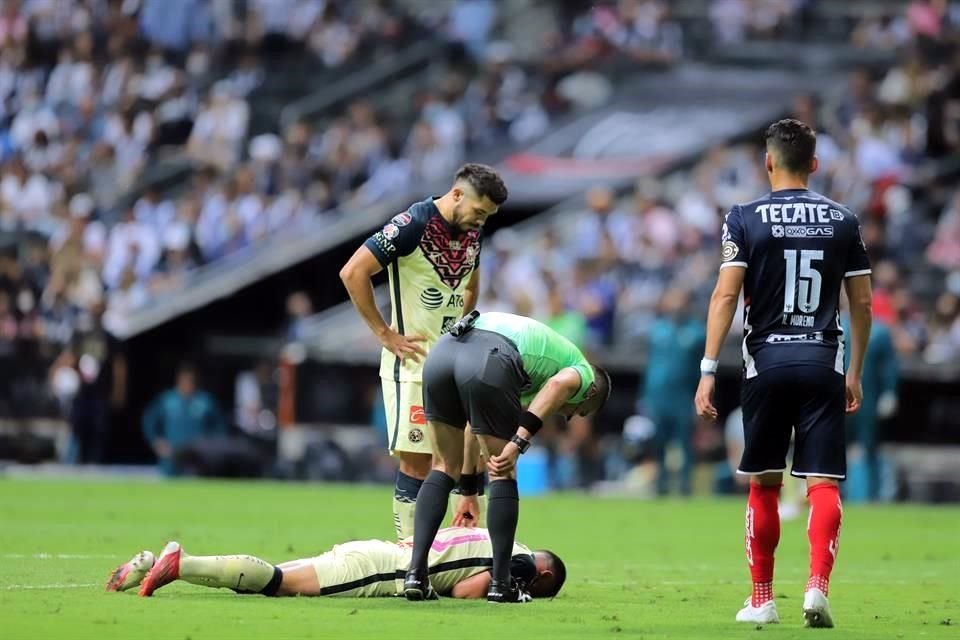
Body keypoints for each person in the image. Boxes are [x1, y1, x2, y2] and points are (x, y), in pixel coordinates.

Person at [694, 119, 873, 628]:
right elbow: (860, 304)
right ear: (814, 165)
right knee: (823, 483)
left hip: (765, 363)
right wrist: (853, 371)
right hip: (823, 361)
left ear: (767, 162)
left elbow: (726, 294)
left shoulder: (743, 217)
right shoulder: (844, 219)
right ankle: (817, 588)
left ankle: (763, 599)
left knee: (764, 483)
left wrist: (708, 369)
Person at [339, 164, 508, 539]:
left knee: (448, 463)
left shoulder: (471, 233)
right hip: (412, 365)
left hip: (452, 364)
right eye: (479, 212)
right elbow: (353, 272)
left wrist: (462, 331)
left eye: (488, 217)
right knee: (417, 464)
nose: (481, 222)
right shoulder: (412, 223)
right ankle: (408, 554)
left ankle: (437, 552)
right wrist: (384, 333)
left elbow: (470, 285)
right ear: (458, 194)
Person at [403, 311, 611, 603]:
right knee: (503, 470)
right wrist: (519, 442)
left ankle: (415, 575)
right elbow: (557, 386)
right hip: (490, 356)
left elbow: (472, 429)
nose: (570, 415)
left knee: (442, 466)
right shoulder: (584, 373)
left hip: (443, 352)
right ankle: (501, 583)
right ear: (591, 394)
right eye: (580, 410)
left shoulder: (530, 377)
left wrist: (469, 490)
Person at [105, 526, 566, 602]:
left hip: (379, 551)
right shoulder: (521, 563)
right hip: (381, 569)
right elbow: (466, 591)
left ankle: (154, 564)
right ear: (541, 576)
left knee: (274, 577)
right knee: (279, 583)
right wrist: (513, 594)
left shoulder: (497, 535)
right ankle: (179, 563)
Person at [642, 288, 705, 496]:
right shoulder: (658, 330)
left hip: (682, 397)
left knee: (684, 443)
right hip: (659, 397)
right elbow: (650, 365)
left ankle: (685, 487)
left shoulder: (696, 333)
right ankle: (660, 485)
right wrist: (645, 396)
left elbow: (702, 369)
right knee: (659, 443)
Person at [142, 363, 228, 476]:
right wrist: (156, 441)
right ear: (178, 381)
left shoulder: (205, 401)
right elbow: (149, 422)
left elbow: (220, 427)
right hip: (172, 455)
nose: (187, 384)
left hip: (197, 458)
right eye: (184, 381)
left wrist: (211, 448)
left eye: (190, 381)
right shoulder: (167, 400)